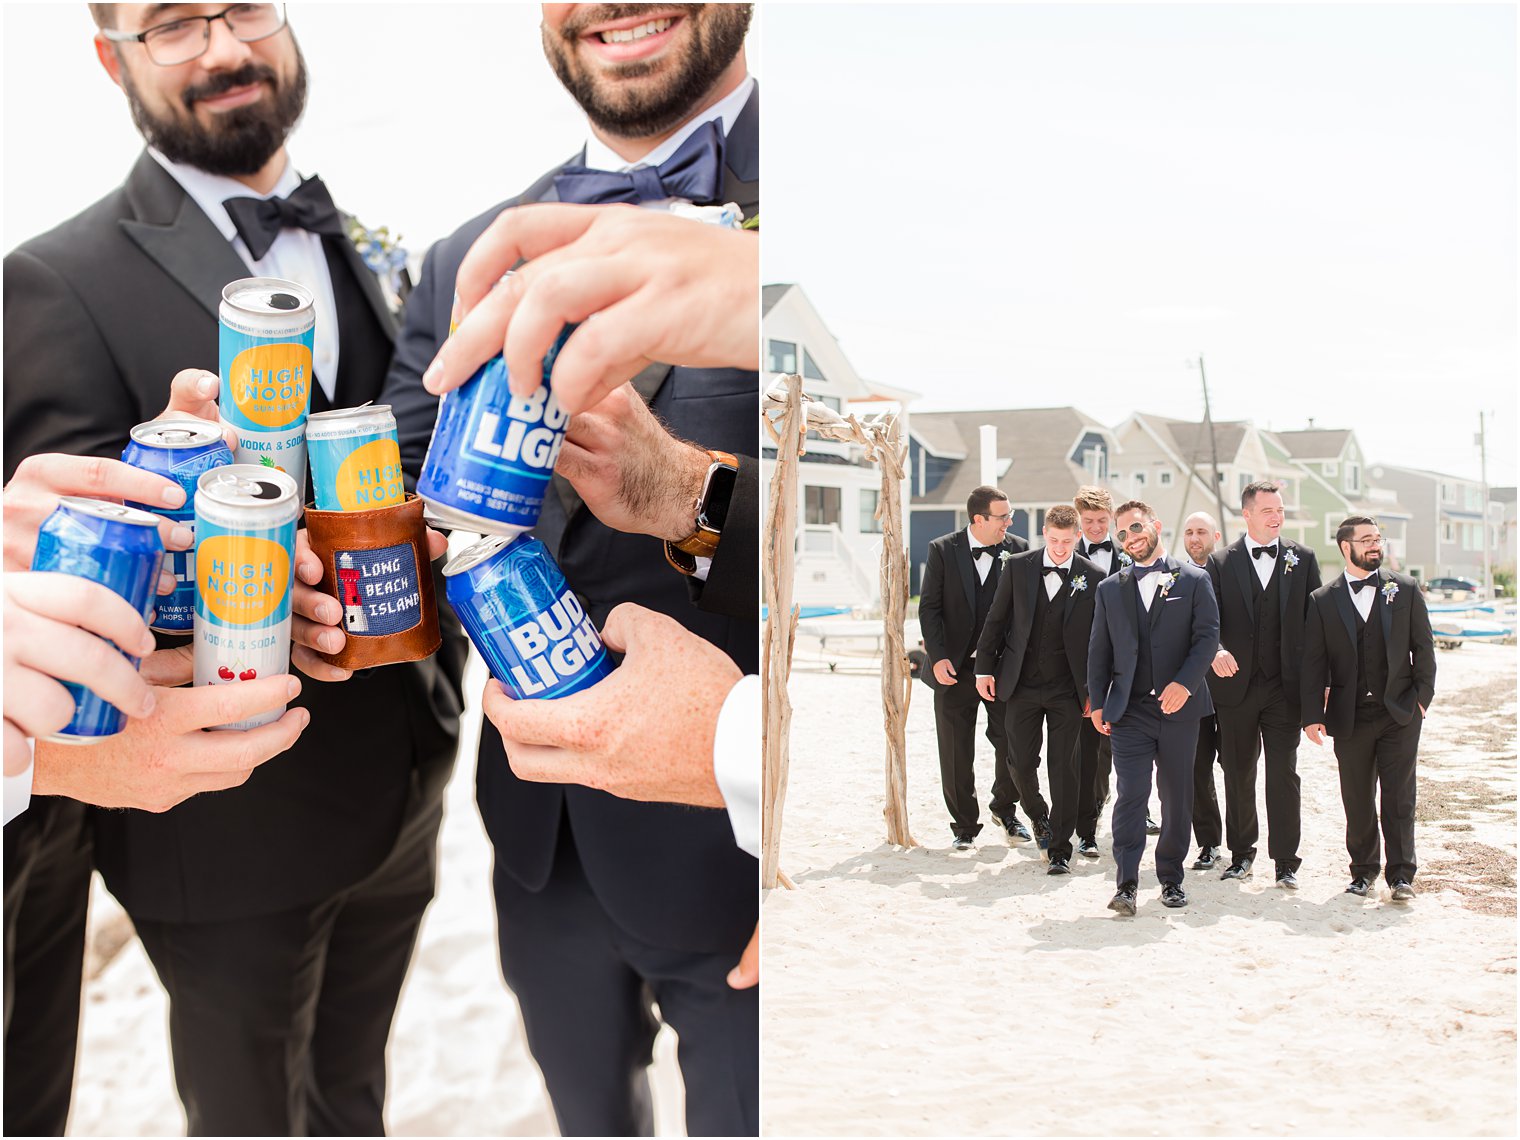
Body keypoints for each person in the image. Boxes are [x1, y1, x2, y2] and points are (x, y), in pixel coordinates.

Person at [2, 5, 465, 1132]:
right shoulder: (49, 278)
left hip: (406, 780)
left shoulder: (368, 245)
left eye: (241, 7)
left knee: (354, 1095)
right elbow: (48, 578)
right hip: (219, 827)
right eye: (170, 22)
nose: (219, 46)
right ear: (113, 58)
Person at [370, 7, 760, 1133]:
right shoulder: (464, 255)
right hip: (539, 850)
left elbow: (890, 567)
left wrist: (694, 495)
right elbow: (396, 506)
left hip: (738, 847)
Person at [1087, 500, 1219, 914]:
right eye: (1122, 533)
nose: (1131, 538)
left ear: (1155, 525)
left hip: (1180, 708)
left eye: (1136, 527)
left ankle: (1171, 879)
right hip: (1128, 711)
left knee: (1177, 797)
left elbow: (1207, 638)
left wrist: (1185, 684)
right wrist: (1096, 701)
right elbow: (1099, 649)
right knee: (1131, 795)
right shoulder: (1110, 589)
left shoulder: (1194, 579)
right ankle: (1125, 883)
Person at [1301, 517, 1435, 901]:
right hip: (1349, 715)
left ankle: (1401, 876)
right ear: (1346, 547)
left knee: (1398, 798)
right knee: (1357, 797)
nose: (1375, 546)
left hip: (1400, 713)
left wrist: (1421, 700)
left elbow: (1424, 648)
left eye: (1378, 539)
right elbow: (1314, 662)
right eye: (1367, 540)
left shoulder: (1404, 588)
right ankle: (1362, 872)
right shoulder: (1323, 600)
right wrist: (1312, 715)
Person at [1205, 481, 1322, 889]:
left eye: (1280, 510)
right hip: (1234, 687)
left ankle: (1286, 861)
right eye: (1268, 510)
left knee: (1283, 774)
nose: (1277, 516)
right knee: (1237, 772)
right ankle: (1241, 854)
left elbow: (1316, 626)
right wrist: (1215, 650)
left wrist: (1318, 686)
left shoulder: (1302, 558)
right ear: (1247, 514)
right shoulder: (1220, 562)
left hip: (1284, 688)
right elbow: (1207, 622)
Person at [974, 505, 1102, 874]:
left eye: (1067, 541)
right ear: (1045, 532)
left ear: (1077, 536)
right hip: (1021, 684)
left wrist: (1095, 689)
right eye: (1054, 540)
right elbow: (996, 619)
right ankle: (1037, 815)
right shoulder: (1018, 565)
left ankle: (1060, 848)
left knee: (1065, 767)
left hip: (1068, 689)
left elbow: (1098, 639)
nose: (1060, 548)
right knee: (1019, 760)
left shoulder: (1092, 575)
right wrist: (984, 667)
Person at [919, 485, 1031, 849]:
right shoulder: (942, 549)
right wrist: (937, 658)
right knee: (955, 750)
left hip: (1001, 671)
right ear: (978, 519)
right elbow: (929, 608)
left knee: (1013, 743)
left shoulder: (1019, 549)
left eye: (1010, 516)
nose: (1009, 522)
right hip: (952, 669)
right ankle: (964, 826)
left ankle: (1005, 809)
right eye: (1003, 517)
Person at [1072, 484, 1152, 854]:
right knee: (1089, 750)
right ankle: (1086, 829)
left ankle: (1138, 809)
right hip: (1081, 666)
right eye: (1088, 521)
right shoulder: (1066, 555)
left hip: (1128, 668)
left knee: (1128, 744)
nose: (1095, 527)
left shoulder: (1129, 554)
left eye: (1102, 521)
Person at [1181, 510, 1226, 870]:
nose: (1195, 538)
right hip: (1194, 693)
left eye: (1202, 532)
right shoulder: (1175, 578)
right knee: (1197, 770)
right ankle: (1209, 843)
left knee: (1240, 771)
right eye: (1190, 532)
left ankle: (1244, 845)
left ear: (1216, 537)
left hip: (1233, 691)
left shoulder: (1231, 573)